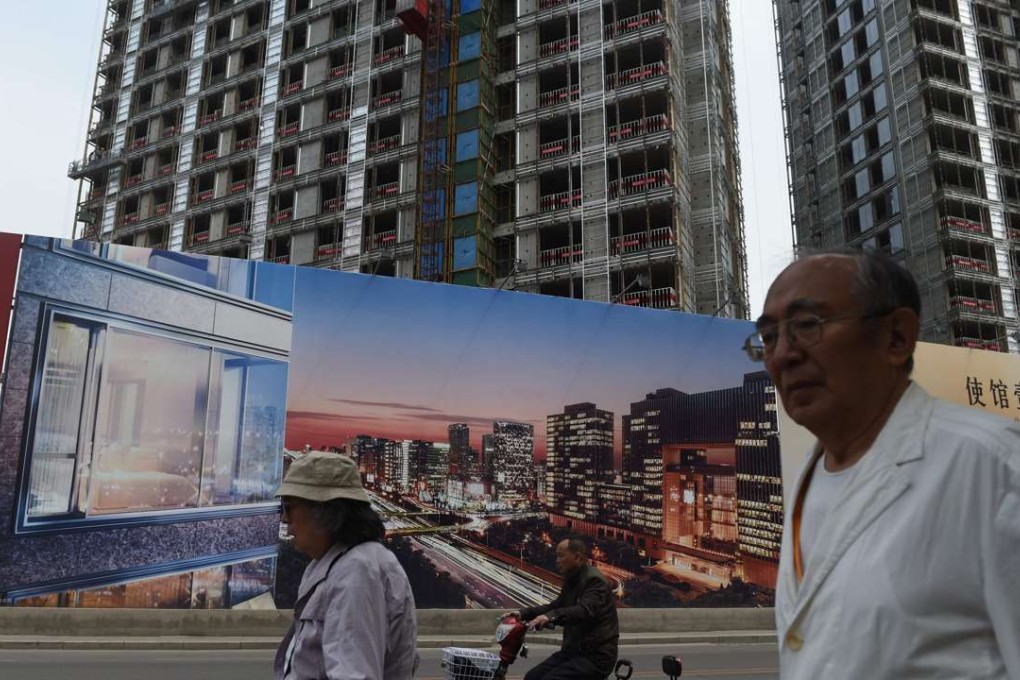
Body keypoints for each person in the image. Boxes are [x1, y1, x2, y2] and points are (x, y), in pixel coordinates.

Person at [745, 249, 1019, 678]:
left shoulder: (992, 467)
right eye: (767, 338)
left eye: (806, 326)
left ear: (896, 337)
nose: (782, 355)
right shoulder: (807, 479)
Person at [273, 451, 418, 679]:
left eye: (289, 507)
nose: (284, 519)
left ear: (325, 511)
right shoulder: (331, 564)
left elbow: (354, 674)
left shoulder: (357, 571)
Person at [503, 538, 619, 680]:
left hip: (595, 655)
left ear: (577, 557)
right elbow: (556, 606)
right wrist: (522, 614)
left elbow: (584, 610)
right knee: (532, 677)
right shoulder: (572, 579)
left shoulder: (594, 581)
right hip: (572, 652)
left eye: (561, 555)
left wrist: (551, 616)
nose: (557, 560)